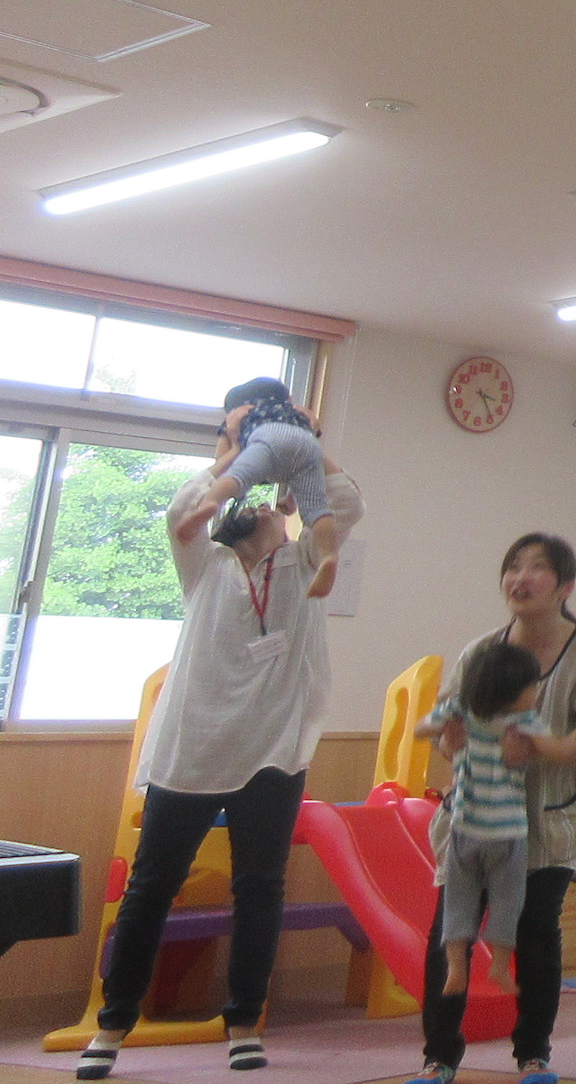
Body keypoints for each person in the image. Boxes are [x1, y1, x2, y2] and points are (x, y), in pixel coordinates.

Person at [76, 404, 363, 1081]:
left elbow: (346, 503)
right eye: (256, 504)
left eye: (274, 504)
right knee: (151, 888)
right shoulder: (203, 566)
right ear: (236, 522)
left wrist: (299, 443)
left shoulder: (303, 564)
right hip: (192, 752)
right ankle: (113, 1025)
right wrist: (240, 447)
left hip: (273, 753)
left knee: (259, 888)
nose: (268, 507)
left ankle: (242, 1021)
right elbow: (186, 508)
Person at [408, 535, 576, 1084]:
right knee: (451, 933)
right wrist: (451, 739)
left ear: (566, 587)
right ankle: (439, 1057)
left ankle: (533, 1054)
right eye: (513, 567)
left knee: (536, 933)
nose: (520, 578)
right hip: (473, 820)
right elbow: (443, 729)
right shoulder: (481, 653)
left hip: (550, 824)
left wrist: (542, 749)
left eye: (537, 568)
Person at [418, 640, 549, 996]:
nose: (536, 693)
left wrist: (442, 731)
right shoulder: (524, 723)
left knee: (458, 900)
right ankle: (499, 967)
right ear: (512, 692)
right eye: (532, 687)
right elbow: (551, 748)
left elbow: (423, 728)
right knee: (508, 902)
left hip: (465, 828)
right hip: (507, 833)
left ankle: (456, 968)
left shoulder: (461, 712)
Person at [206, 377, 341, 599]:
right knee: (317, 508)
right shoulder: (293, 416)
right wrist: (310, 434)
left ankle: (209, 505)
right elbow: (306, 467)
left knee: (235, 477)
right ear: (288, 399)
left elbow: (219, 471)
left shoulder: (242, 418)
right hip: (305, 446)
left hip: (265, 443)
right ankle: (329, 555)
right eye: (252, 512)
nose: (264, 506)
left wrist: (233, 446)